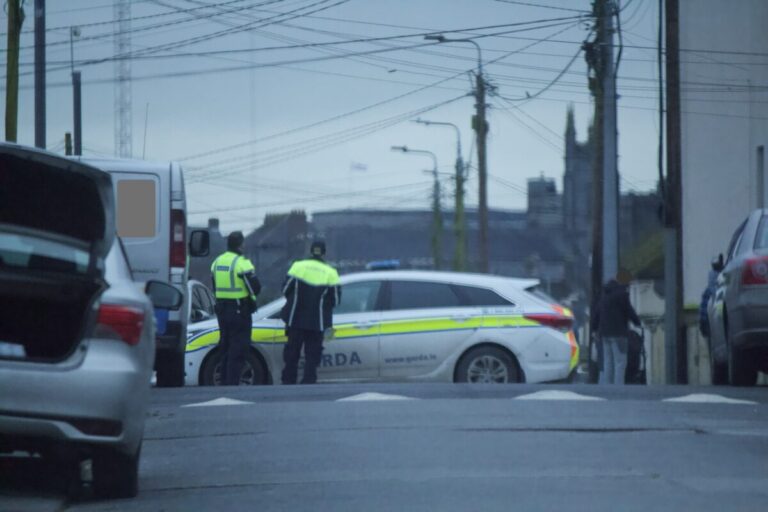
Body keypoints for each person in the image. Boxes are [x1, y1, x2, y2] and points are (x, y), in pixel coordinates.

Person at [280, 240, 341, 385]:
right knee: (312, 357)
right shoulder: (331, 273)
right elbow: (336, 300)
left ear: (311, 251)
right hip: (317, 323)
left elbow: (285, 289)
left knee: (292, 355)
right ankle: (308, 383)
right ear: (324, 253)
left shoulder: (298, 266)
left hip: (295, 320)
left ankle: (288, 382)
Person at [210, 231, 261, 386]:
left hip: (222, 310)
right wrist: (251, 300)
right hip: (239, 310)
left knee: (224, 346)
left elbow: (214, 285)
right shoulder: (241, 263)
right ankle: (232, 384)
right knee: (238, 348)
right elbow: (255, 288)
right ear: (240, 245)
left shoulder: (217, 262)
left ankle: (224, 382)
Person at [591, 268, 641, 385]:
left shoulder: (604, 294)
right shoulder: (622, 294)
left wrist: (594, 329)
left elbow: (597, 313)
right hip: (619, 333)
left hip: (604, 333)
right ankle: (619, 387)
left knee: (608, 361)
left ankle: (609, 387)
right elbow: (629, 311)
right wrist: (637, 322)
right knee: (620, 362)